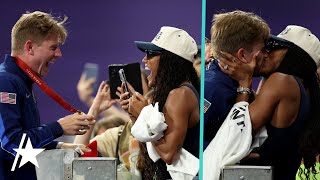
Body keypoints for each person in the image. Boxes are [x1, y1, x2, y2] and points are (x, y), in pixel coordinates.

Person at [0, 11, 95, 180]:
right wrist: (58, 127)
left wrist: (59, 146)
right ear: (29, 47)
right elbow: (10, 145)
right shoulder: (5, 82)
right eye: (53, 47)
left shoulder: (20, 81)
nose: (59, 54)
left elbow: (23, 139)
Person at [218, 25, 320, 179]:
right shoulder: (298, 88)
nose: (265, 53)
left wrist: (244, 82)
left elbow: (236, 136)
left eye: (274, 47)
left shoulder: (281, 81)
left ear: (294, 56)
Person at [126, 26, 200, 179]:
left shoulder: (180, 94)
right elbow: (152, 147)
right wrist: (135, 115)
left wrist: (144, 115)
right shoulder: (172, 93)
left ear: (169, 60)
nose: (144, 60)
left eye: (151, 54)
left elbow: (168, 154)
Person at [203, 10, 270, 148]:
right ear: (243, 55)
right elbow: (191, 144)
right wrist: (230, 156)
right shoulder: (213, 89)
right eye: (263, 49)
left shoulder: (230, 81)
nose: (266, 55)